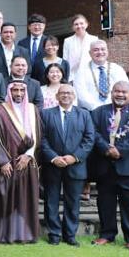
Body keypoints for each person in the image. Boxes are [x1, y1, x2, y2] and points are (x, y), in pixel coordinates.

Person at [91, 81, 129, 249]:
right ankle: (106, 234)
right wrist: (106, 148)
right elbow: (93, 133)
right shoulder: (98, 112)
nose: (120, 94)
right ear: (111, 93)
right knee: (105, 202)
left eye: (124, 92)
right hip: (105, 165)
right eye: (117, 91)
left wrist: (120, 150)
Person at [0, 80, 42, 244]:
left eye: (21, 90)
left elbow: (38, 134)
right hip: (8, 163)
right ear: (9, 92)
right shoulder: (0, 110)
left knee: (26, 199)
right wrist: (3, 161)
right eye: (15, 90)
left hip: (27, 163)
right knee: (6, 199)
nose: (18, 93)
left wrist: (28, 155)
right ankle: (5, 235)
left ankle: (26, 234)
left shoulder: (32, 109)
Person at [39, 84, 94, 247]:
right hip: (52, 166)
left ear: (74, 96)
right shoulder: (45, 114)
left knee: (73, 202)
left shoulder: (84, 114)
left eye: (69, 93)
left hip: (75, 166)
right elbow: (42, 139)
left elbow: (89, 139)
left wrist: (74, 157)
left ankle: (70, 235)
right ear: (57, 96)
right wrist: (53, 157)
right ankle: (54, 234)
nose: (65, 95)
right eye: (62, 93)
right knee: (51, 201)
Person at [75, 40, 129, 112]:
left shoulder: (117, 69)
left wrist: (113, 107)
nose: (100, 52)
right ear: (90, 53)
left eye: (103, 49)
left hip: (116, 110)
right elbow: (81, 94)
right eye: (96, 50)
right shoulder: (81, 71)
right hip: (91, 112)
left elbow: (125, 89)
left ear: (107, 51)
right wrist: (99, 109)